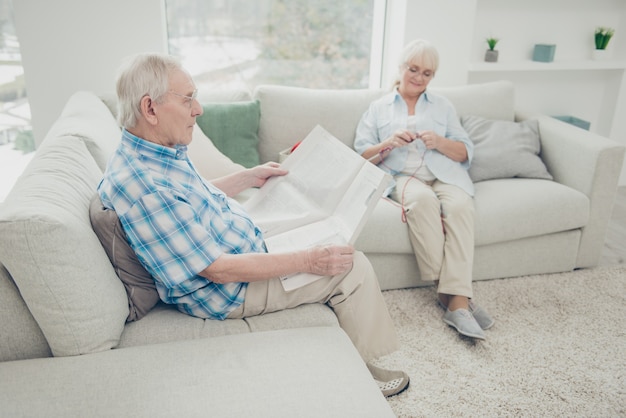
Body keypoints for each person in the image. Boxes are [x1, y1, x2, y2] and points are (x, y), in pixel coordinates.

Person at [97, 52, 409, 397]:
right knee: (352, 267)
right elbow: (217, 270)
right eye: (187, 99)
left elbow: (189, 201)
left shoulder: (151, 151)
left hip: (242, 242)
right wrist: (310, 261)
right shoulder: (145, 188)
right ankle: (364, 376)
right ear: (150, 109)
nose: (198, 109)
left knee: (325, 220)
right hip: (229, 289)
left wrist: (247, 177)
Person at [354, 39, 494, 340]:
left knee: (459, 206)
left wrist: (439, 142)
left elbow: (465, 151)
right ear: (401, 68)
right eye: (413, 69)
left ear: (433, 77)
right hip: (403, 176)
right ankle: (456, 299)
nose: (418, 78)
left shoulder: (443, 106)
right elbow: (362, 155)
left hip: (444, 174)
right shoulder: (378, 108)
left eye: (426, 73)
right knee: (422, 202)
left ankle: (453, 300)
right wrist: (388, 143)